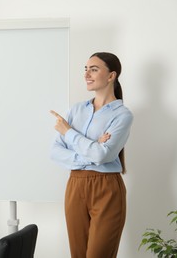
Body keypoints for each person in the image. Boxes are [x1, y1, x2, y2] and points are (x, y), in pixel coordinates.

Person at [50, 52, 133, 258]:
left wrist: (69, 132)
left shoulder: (122, 115)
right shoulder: (75, 110)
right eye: (85, 69)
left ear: (111, 75)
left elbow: (103, 156)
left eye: (94, 69)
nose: (87, 74)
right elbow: (55, 152)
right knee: (77, 255)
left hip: (107, 188)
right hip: (75, 185)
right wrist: (93, 150)